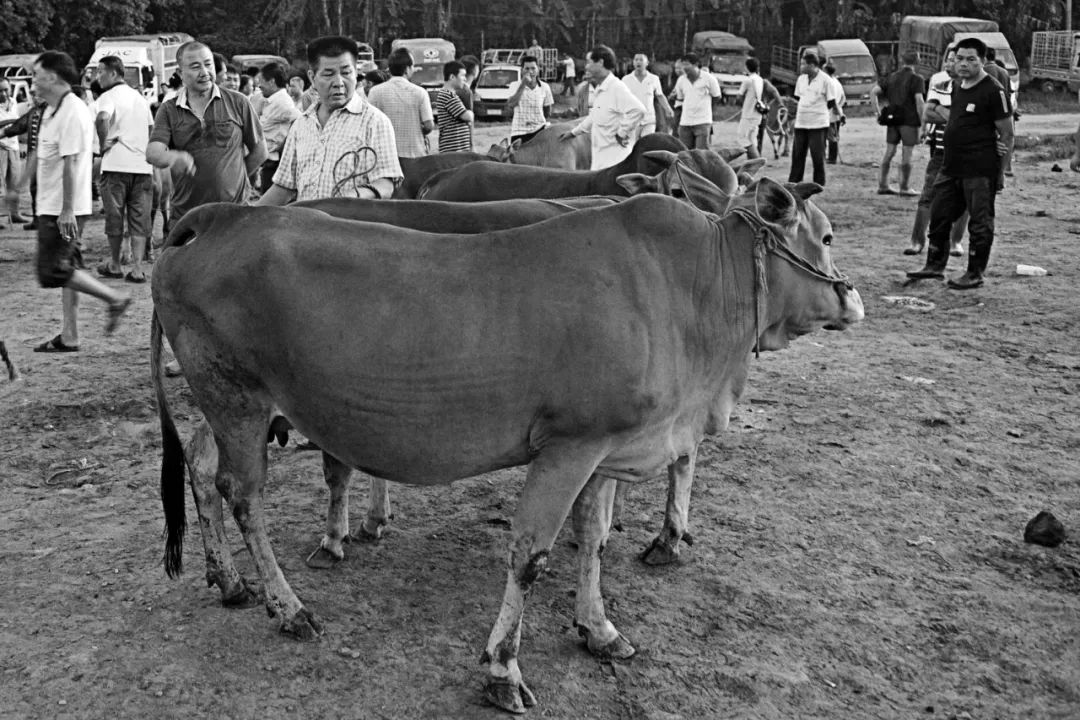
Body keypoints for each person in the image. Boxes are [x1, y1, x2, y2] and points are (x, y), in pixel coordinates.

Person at [22, 51, 131, 353]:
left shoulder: (72, 111)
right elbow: (42, 155)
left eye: (36, 75)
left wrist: (67, 209)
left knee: (52, 271)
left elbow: (71, 163)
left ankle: (115, 299)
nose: (33, 81)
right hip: (53, 205)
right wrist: (18, 188)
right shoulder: (52, 109)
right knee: (69, 268)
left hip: (61, 208)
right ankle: (70, 335)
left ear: (53, 77)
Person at [907, 37, 1013, 290]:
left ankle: (975, 273)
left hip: (979, 169)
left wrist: (1002, 170)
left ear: (983, 61)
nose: (963, 64)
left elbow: (1007, 133)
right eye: (959, 58)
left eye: (970, 59)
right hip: (950, 165)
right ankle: (934, 266)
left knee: (979, 222)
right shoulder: (958, 85)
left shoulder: (994, 90)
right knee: (940, 215)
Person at [258, 35, 401, 205]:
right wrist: (248, 215)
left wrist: (351, 198)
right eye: (328, 74)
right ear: (312, 78)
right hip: (306, 227)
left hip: (352, 228)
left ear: (356, 74)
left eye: (346, 73)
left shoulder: (375, 122)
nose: (339, 82)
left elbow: (386, 184)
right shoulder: (301, 125)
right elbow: (284, 187)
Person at [146, 41, 267, 223]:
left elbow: (260, 151)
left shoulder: (238, 102)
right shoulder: (169, 110)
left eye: (208, 64)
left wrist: (238, 178)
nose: (204, 72)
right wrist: (173, 157)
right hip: (187, 218)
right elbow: (153, 152)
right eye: (195, 67)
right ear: (180, 73)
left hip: (234, 215)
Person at [94, 55, 155, 283]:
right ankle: (138, 268)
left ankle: (116, 263)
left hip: (115, 165)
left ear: (112, 73)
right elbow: (151, 127)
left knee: (115, 216)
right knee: (140, 218)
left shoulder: (108, 97)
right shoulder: (140, 98)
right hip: (142, 167)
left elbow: (102, 119)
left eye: (100, 71)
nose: (97, 76)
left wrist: (102, 144)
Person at [906, 47, 967, 257]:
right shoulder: (939, 85)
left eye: (954, 60)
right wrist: (947, 112)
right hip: (940, 151)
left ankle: (955, 240)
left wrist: (940, 110)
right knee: (928, 196)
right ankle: (917, 240)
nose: (949, 64)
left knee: (964, 199)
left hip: (967, 153)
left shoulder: (976, 90)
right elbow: (927, 114)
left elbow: (969, 120)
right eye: (948, 60)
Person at [560, 45, 645, 170]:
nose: (586, 66)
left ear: (600, 62)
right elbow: (594, 116)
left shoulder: (616, 87)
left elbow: (639, 110)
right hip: (601, 160)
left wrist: (621, 133)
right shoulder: (601, 89)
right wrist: (573, 133)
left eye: (589, 62)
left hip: (615, 161)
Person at [872, 50, 925, 195]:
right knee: (907, 154)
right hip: (909, 120)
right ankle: (905, 187)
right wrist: (923, 122)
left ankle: (883, 185)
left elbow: (874, 92)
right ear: (917, 61)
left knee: (889, 152)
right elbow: (919, 101)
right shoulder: (917, 79)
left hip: (893, 120)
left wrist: (877, 112)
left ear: (902, 60)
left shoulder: (892, 77)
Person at [368, 47, 435, 158]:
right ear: (407, 69)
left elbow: (370, 124)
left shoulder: (375, 92)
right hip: (415, 156)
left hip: (385, 156)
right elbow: (429, 125)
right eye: (412, 66)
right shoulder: (420, 92)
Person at [789, 51, 838, 186]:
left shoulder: (826, 80)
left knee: (817, 155)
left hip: (818, 124)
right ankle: (794, 182)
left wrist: (819, 112)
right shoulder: (801, 79)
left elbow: (831, 102)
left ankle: (819, 183)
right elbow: (799, 98)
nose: (801, 67)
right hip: (801, 123)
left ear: (812, 65)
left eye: (803, 64)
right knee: (798, 155)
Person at [2, 93, 47, 229]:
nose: (34, 97)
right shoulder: (34, 110)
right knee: (34, 188)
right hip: (33, 157)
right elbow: (19, 125)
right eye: (33, 95)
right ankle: (37, 220)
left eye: (38, 94)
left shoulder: (54, 111)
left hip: (50, 159)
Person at [256, 61, 299, 191]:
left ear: (271, 81)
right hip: (268, 161)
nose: (259, 85)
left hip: (274, 163)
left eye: (261, 81)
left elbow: (301, 119)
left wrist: (284, 145)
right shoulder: (273, 101)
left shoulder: (282, 102)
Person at [672, 52, 720, 150]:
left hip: (703, 121)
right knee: (685, 153)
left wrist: (706, 108)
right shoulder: (681, 80)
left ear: (695, 64)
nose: (684, 67)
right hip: (685, 122)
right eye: (683, 64)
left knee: (701, 153)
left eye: (687, 64)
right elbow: (680, 100)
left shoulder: (709, 78)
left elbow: (716, 96)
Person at [735, 57, 778, 161]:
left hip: (748, 114)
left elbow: (739, 97)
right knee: (752, 139)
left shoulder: (748, 80)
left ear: (746, 68)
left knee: (743, 139)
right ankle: (752, 163)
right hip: (757, 114)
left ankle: (758, 161)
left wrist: (742, 103)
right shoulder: (760, 80)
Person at [0, 78, 29, 227]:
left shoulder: (13, 102)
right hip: (1, 148)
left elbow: (18, 124)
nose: (4, 93)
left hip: (14, 147)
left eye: (6, 89)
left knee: (14, 184)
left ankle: (15, 213)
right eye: (1, 91)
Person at [506, 55, 553, 145]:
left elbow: (547, 111)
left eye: (533, 68)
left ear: (538, 69)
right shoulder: (514, 85)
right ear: (522, 70)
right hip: (519, 131)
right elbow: (511, 104)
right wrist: (523, 84)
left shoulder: (544, 87)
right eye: (526, 69)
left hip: (539, 130)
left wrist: (536, 121)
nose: (530, 72)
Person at [622, 53, 669, 136]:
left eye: (641, 60)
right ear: (633, 63)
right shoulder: (626, 79)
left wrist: (668, 109)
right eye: (636, 60)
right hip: (632, 120)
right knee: (632, 146)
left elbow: (660, 95)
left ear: (647, 63)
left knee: (647, 145)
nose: (638, 62)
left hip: (649, 120)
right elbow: (621, 98)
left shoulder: (654, 78)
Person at [435, 60, 474, 153]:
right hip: (453, 152)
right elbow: (467, 117)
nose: (465, 79)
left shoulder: (451, 95)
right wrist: (471, 113)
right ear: (452, 77)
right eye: (462, 75)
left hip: (458, 151)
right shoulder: (448, 95)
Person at [823, 64, 846, 164]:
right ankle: (832, 157)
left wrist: (836, 108)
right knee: (834, 135)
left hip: (830, 113)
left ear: (826, 71)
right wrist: (840, 108)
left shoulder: (828, 82)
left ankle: (831, 158)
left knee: (830, 136)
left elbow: (831, 99)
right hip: (837, 112)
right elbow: (843, 97)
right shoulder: (837, 82)